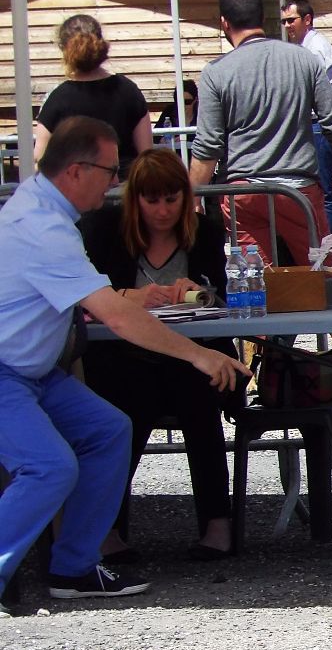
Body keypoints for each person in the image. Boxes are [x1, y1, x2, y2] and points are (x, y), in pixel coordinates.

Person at [0, 117, 249, 616]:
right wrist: (201, 354)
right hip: (8, 372)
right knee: (49, 468)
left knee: (110, 430)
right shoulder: (44, 229)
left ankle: (73, 567)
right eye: (110, 171)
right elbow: (117, 316)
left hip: (32, 371)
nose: (117, 183)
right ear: (76, 171)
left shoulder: (40, 206)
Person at [80, 148, 238, 562]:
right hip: (124, 357)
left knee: (200, 402)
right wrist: (131, 296)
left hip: (193, 356)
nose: (163, 210)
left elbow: (222, 295)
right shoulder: (104, 229)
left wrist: (199, 291)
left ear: (185, 200)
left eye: (172, 199)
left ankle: (217, 525)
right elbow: (83, 298)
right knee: (123, 413)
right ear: (136, 200)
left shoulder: (204, 230)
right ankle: (109, 531)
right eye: (153, 200)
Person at [190, 0, 332, 266]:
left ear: (224, 23)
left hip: (243, 192)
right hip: (297, 189)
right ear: (264, 19)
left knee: (256, 284)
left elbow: (208, 145)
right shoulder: (304, 60)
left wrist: (193, 193)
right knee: (320, 276)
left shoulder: (215, 73)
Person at [34, 14, 153, 181]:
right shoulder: (128, 90)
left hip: (76, 196)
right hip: (124, 192)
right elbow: (146, 155)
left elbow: (41, 161)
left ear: (64, 50)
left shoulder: (56, 99)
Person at [281, 0, 332, 241]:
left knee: (324, 192)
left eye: (291, 20)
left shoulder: (315, 47)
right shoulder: (306, 46)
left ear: (307, 19)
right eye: (283, 21)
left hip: (320, 127)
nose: (286, 26)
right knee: (319, 191)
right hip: (315, 125)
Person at [155, 80, 199, 158]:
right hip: (172, 159)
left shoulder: (200, 113)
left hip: (195, 157)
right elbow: (155, 134)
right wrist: (161, 139)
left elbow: (206, 136)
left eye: (187, 102)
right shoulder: (169, 111)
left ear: (195, 100)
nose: (183, 105)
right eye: (179, 102)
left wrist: (185, 138)